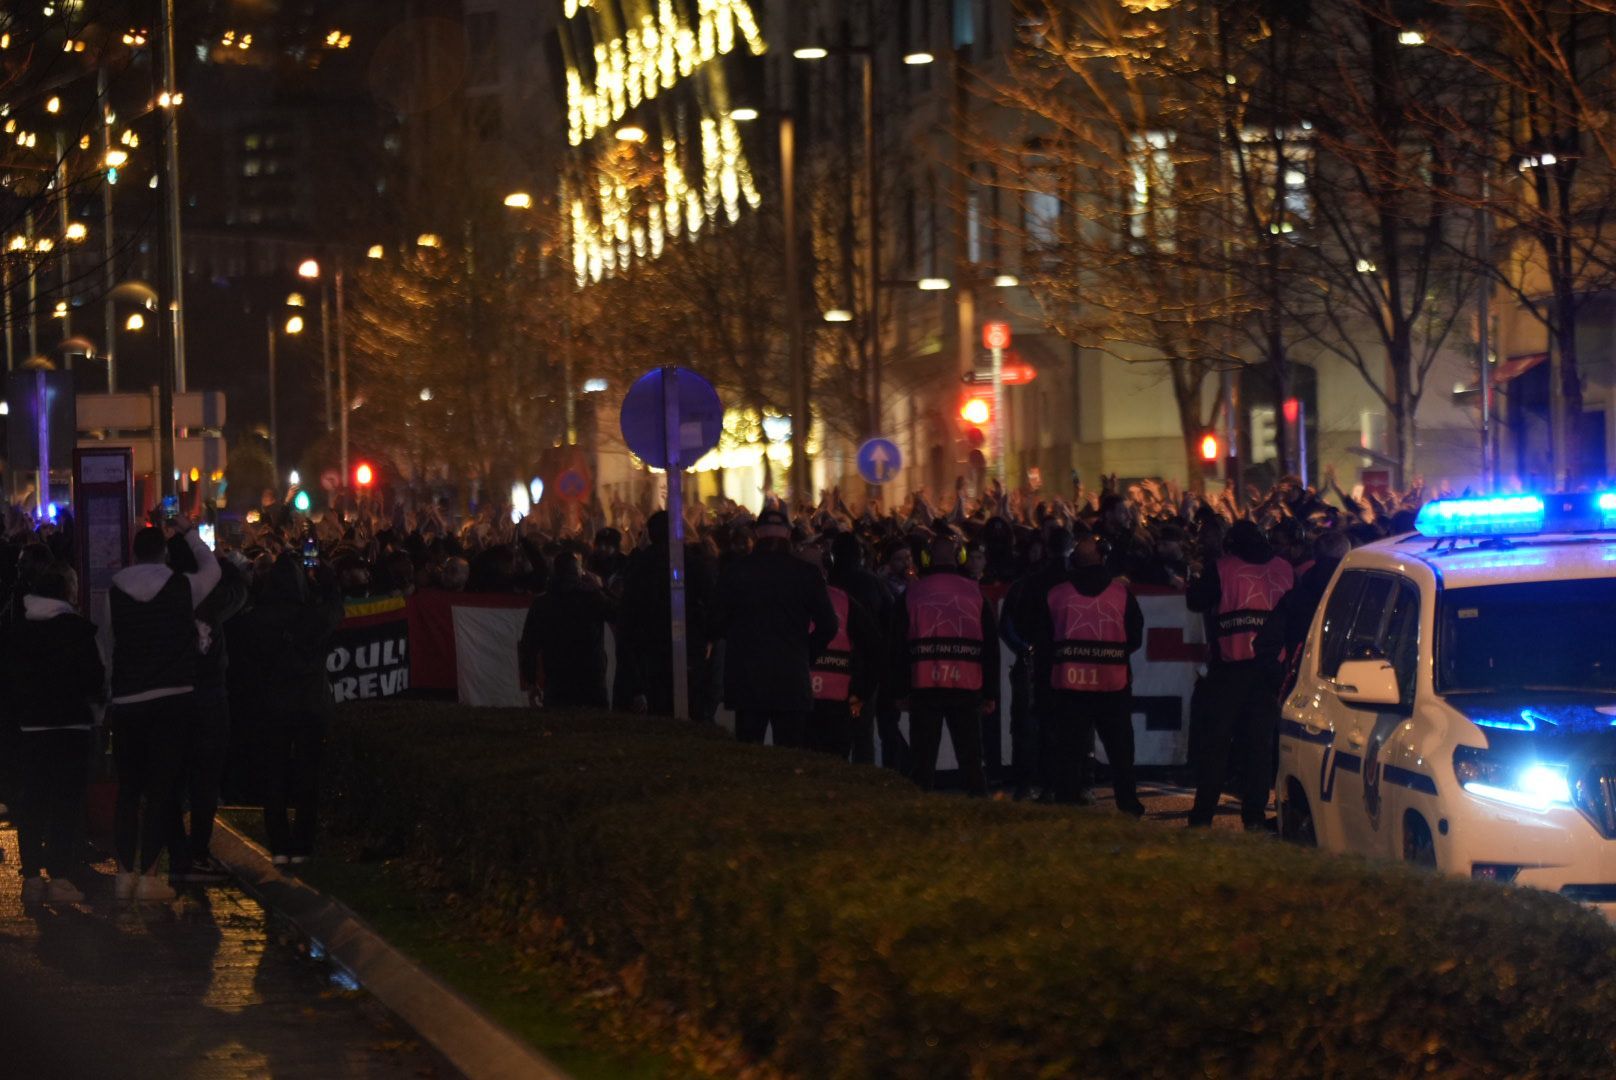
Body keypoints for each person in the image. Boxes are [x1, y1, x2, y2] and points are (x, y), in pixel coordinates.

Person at [107, 515, 220, 902]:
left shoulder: (115, 589)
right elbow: (213, 569)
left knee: (128, 790)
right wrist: (189, 532)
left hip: (127, 700)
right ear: (164, 553)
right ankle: (151, 876)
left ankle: (123, 874)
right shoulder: (182, 587)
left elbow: (109, 644)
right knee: (161, 789)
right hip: (173, 698)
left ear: (135, 554)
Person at [236, 553, 344, 865]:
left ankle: (280, 844)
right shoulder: (312, 616)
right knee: (308, 774)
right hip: (310, 706)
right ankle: (303, 844)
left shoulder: (257, 620)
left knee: (276, 774)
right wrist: (327, 581)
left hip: (274, 706)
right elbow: (337, 610)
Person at [1185, 519, 1293, 830]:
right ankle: (1255, 816)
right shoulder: (1285, 569)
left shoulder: (1222, 568)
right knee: (1259, 747)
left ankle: (1203, 815)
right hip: (1271, 671)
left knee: (1216, 744)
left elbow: (1196, 601)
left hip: (1230, 670)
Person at [7, 564, 103, 903]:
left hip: (31, 728)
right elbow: (94, 679)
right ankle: (60, 876)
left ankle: (32, 878)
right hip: (71, 726)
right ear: (66, 593)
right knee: (65, 803)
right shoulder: (77, 630)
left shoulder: (18, 632)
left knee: (32, 803)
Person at [1029, 533, 1145, 812]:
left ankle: (1067, 802)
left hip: (1070, 688)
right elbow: (1135, 637)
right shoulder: (1121, 594)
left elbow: (1043, 641)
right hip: (1112, 686)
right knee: (1120, 752)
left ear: (1073, 562)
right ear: (1102, 558)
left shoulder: (1057, 594)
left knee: (1069, 750)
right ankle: (1128, 805)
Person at [712, 508, 838, 747]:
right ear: (788, 534)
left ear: (757, 533)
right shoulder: (806, 574)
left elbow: (716, 622)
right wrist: (805, 653)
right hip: (791, 677)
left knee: (750, 758)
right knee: (790, 759)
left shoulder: (736, 571)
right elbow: (829, 625)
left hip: (747, 679)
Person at [167, 537, 250, 885]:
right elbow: (240, 586)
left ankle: (177, 852)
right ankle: (197, 852)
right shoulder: (214, 601)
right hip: (210, 696)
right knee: (205, 778)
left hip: (175, 696)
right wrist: (217, 560)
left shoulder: (166, 599)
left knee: (173, 778)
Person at [892, 531, 999, 795]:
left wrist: (900, 691)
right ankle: (982, 817)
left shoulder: (912, 593)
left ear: (927, 558)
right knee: (972, 761)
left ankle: (919, 819)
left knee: (922, 763)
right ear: (960, 557)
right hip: (967, 686)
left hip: (924, 686)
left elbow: (897, 646)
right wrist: (991, 693)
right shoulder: (975, 593)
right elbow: (990, 648)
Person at [802, 539, 881, 759]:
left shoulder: (783, 599)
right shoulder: (843, 600)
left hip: (800, 696)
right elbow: (874, 646)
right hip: (836, 696)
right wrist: (862, 691)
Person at [518, 550, 614, 708]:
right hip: (591, 681)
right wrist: (601, 589)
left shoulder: (542, 603)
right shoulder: (592, 598)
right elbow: (618, 613)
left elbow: (529, 645)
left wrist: (531, 682)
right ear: (578, 572)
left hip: (557, 682)